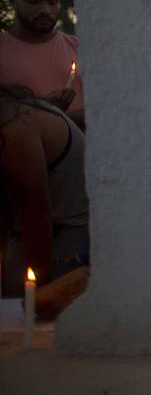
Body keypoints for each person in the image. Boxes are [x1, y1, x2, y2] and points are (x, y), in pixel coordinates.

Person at [0, 84, 89, 315]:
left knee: (44, 305)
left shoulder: (14, 131)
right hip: (41, 222)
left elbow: (37, 214)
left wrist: (38, 286)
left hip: (76, 223)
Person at [0, 0, 84, 129]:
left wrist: (55, 117)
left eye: (52, 2)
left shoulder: (80, 48)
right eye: (33, 1)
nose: (45, 9)